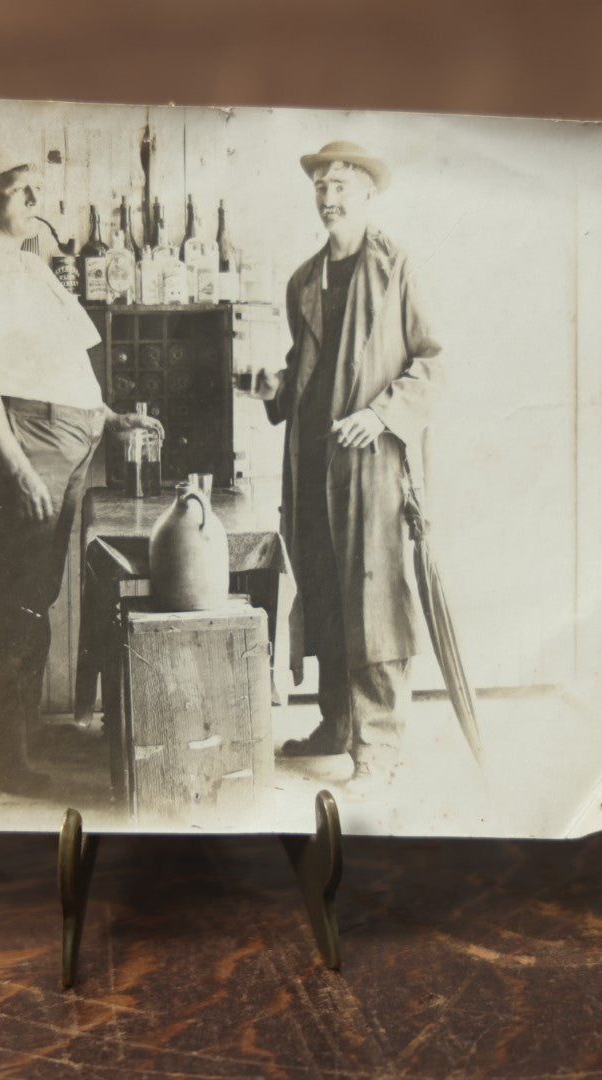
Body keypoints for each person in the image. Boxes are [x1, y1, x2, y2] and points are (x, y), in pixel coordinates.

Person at [0, 128, 161, 796]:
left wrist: (111, 416)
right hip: (22, 447)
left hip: (62, 442)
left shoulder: (30, 266)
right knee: (8, 601)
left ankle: (18, 738)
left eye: (37, 183)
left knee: (34, 599)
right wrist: (21, 472)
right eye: (17, 186)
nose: (35, 195)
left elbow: (60, 368)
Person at [266, 141, 443, 788]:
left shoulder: (396, 268)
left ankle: (378, 748)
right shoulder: (302, 280)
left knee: (373, 600)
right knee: (322, 592)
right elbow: (305, 373)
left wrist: (382, 414)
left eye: (341, 185)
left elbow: (431, 359)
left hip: (371, 464)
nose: (329, 197)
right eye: (320, 186)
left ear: (368, 194)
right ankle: (335, 725)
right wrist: (273, 387)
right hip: (311, 462)